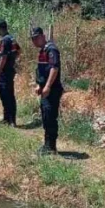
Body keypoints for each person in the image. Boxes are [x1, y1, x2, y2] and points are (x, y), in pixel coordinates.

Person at [30, 26, 63, 155]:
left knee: (50, 116)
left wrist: (48, 86)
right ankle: (47, 145)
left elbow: (54, 68)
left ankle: (51, 147)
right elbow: (41, 70)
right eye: (33, 39)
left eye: (36, 38)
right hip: (44, 89)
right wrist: (39, 84)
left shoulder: (51, 49)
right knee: (45, 116)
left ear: (43, 36)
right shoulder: (42, 51)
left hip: (52, 90)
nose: (34, 41)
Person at [0, 19, 19, 126]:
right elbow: (18, 51)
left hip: (5, 72)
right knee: (8, 94)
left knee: (5, 94)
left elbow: (3, 58)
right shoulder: (12, 38)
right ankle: (8, 119)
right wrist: (12, 61)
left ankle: (10, 120)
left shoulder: (4, 40)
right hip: (10, 70)